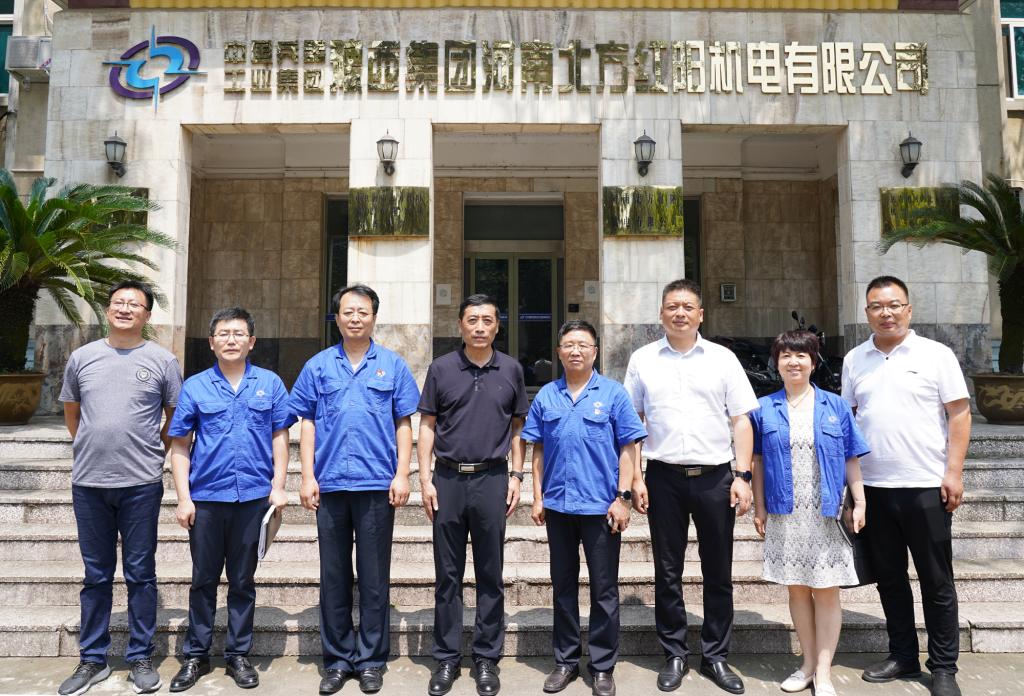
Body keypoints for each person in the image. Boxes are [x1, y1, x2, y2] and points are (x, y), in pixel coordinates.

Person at [623, 278, 758, 695]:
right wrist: (635, 477)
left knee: (718, 570)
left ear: (701, 314)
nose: (679, 313)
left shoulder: (722, 359)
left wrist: (743, 476)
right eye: (672, 306)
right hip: (663, 478)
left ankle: (715, 655)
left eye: (687, 307)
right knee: (667, 570)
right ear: (661, 314)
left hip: (716, 477)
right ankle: (674, 653)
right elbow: (632, 423)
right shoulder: (643, 359)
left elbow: (741, 419)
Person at [842, 276, 971, 696]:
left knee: (936, 580)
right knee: (890, 579)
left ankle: (944, 667)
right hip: (875, 489)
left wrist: (953, 472)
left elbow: (959, 414)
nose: (886, 313)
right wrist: (851, 490)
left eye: (894, 305)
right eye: (877, 306)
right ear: (867, 313)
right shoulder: (855, 359)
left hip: (926, 487)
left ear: (909, 309)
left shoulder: (936, 355)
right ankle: (902, 655)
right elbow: (849, 422)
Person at [289, 284, 420, 695]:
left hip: (377, 484)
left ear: (374, 317)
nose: (355, 318)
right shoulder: (318, 366)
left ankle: (371, 660)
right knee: (334, 575)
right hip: (329, 484)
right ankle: (337, 659)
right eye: (348, 311)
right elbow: (307, 423)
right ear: (337, 317)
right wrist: (306, 476)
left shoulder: (393, 365)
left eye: (363, 311)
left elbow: (404, 423)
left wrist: (403, 474)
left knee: (374, 577)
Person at [57, 280, 183, 696]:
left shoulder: (163, 360)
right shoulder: (82, 357)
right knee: (96, 575)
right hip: (89, 483)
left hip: (141, 484)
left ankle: (140, 656)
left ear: (147, 314)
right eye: (118, 302)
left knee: (140, 573)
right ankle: (92, 659)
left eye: (134, 304)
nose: (125, 308)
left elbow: (174, 418)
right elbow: (72, 412)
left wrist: (151, 452)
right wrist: (90, 447)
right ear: (109, 309)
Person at [166, 307, 294, 691]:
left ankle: (238, 654)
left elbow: (280, 437)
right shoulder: (196, 386)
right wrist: (183, 498)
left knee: (242, 581)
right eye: (223, 334)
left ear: (251, 342)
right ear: (212, 342)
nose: (231, 340)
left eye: (239, 334)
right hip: (206, 498)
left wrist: (278, 485)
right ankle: (196, 655)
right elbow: (179, 445)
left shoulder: (270, 383)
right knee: (203, 580)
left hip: (253, 498)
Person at [522, 320, 646, 696]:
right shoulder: (547, 395)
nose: (575, 350)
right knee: (562, 586)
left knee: (604, 590)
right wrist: (538, 496)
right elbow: (538, 449)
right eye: (569, 345)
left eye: (583, 344)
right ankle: (565, 661)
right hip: (558, 506)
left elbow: (629, 448)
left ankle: (603, 665)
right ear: (559, 352)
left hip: (601, 508)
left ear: (595, 351)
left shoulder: (613, 394)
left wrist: (623, 498)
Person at [418, 294, 529, 696]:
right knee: (447, 575)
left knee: (490, 573)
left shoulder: (511, 369)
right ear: (460, 325)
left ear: (497, 326)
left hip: (492, 479)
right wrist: (425, 479)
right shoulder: (441, 368)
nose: (480, 327)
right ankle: (447, 658)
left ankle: (486, 658)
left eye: (487, 320)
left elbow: (518, 428)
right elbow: (427, 424)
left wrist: (516, 476)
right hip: (447, 480)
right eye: (472, 320)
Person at [748, 330, 869, 696]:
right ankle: (807, 665)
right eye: (786, 355)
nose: (794, 361)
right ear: (777, 363)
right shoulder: (763, 408)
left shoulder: (835, 406)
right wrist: (760, 506)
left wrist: (860, 501)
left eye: (801, 355)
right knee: (798, 591)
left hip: (826, 511)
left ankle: (824, 672)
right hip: (785, 512)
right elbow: (756, 461)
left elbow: (850, 457)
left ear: (814, 363)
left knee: (827, 590)